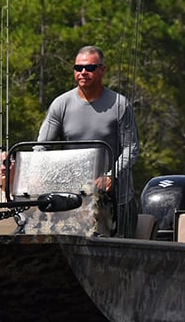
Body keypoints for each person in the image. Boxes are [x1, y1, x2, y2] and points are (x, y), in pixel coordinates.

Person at [37, 45, 140, 237]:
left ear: (102, 70)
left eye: (90, 68)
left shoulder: (120, 105)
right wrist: (41, 173)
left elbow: (131, 149)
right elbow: (41, 147)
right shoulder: (61, 104)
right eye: (78, 68)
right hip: (74, 200)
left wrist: (111, 175)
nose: (83, 72)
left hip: (117, 200)